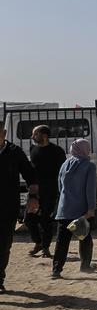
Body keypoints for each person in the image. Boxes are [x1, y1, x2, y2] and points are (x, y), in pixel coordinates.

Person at [0, 120, 39, 292]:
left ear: (4, 133)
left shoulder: (14, 152)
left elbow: (31, 176)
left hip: (8, 207)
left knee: (4, 245)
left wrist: (33, 197)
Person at [52, 139, 97, 278]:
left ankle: (56, 270)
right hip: (81, 211)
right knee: (84, 238)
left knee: (62, 241)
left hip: (64, 209)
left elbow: (60, 188)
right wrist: (91, 208)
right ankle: (85, 266)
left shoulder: (64, 164)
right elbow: (90, 190)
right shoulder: (89, 166)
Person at [27, 125, 65, 258]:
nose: (32, 137)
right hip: (34, 190)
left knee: (46, 220)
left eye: (35, 134)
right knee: (29, 219)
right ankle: (38, 243)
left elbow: (62, 173)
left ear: (44, 136)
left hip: (50, 190)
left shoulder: (57, 151)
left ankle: (46, 248)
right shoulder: (33, 149)